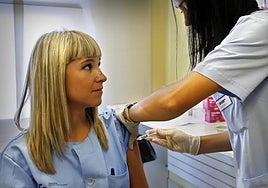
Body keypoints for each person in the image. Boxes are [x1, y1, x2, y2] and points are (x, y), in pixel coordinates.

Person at [117, 0, 268, 187]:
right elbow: (249, 132)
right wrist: (196, 144)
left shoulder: (260, 29)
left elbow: (172, 101)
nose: (187, 21)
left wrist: (126, 115)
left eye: (185, 8)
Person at [0, 30, 147, 188]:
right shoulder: (18, 159)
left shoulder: (119, 132)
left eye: (99, 64)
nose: (102, 76)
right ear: (55, 75)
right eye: (87, 66)